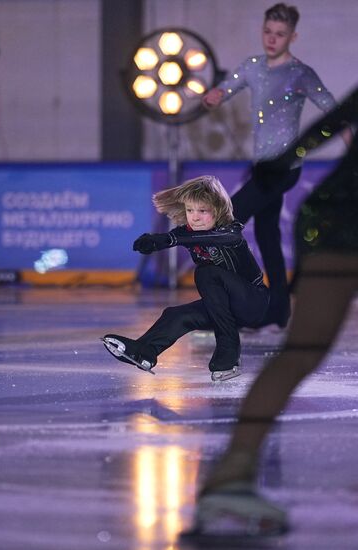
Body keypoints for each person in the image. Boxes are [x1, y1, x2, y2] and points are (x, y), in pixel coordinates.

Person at [191, 87, 358, 534]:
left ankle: (231, 472)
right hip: (341, 222)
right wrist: (287, 157)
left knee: (301, 352)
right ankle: (232, 474)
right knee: (303, 350)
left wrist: (287, 156)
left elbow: (332, 121)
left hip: (332, 218)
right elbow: (334, 120)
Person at [203, 2, 338, 328]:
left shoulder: (300, 73)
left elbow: (332, 109)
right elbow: (228, 86)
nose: (272, 39)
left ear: (293, 36)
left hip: (285, 169)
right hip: (262, 167)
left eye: (280, 34)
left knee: (225, 221)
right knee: (266, 234)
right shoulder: (252, 66)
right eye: (268, 32)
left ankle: (240, 305)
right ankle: (278, 309)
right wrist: (217, 94)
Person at [102, 175, 269, 381]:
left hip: (253, 302)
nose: (195, 217)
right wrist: (158, 242)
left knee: (206, 272)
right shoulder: (187, 233)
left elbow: (222, 238)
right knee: (175, 315)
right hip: (225, 307)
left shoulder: (230, 230)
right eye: (190, 210)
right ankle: (144, 351)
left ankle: (229, 352)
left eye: (202, 211)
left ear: (217, 210)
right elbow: (185, 236)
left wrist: (168, 240)